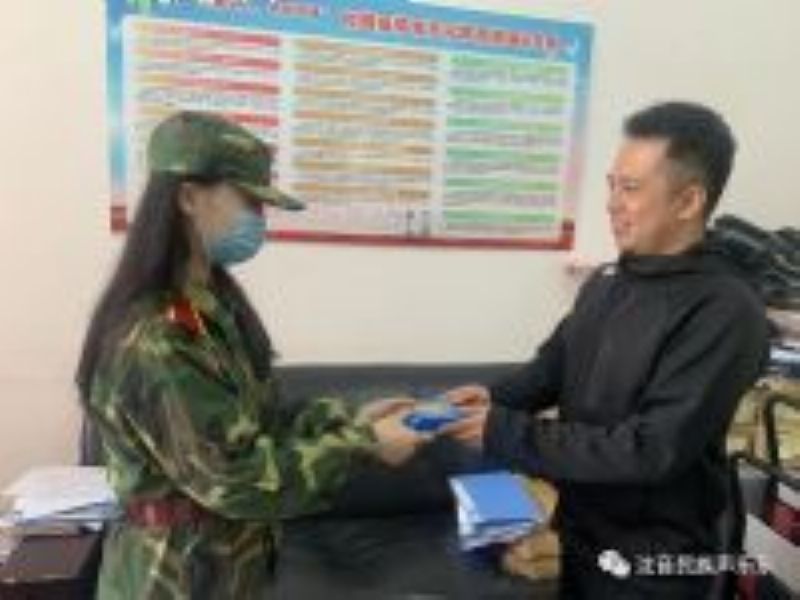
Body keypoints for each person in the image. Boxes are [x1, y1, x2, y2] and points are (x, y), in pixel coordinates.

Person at [76, 111, 427, 599]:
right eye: (249, 201)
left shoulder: (211, 309)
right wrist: (364, 443)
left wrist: (350, 417)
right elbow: (233, 478)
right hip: (174, 581)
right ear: (188, 197)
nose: (259, 220)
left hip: (229, 570)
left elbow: (253, 422)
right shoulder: (154, 335)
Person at [444, 101, 768, 599]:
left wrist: (503, 430)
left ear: (688, 201)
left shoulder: (725, 310)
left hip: (653, 565)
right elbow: (552, 368)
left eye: (630, 188)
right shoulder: (609, 280)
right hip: (581, 536)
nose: (612, 204)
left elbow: (650, 450)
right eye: (611, 185)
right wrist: (490, 399)